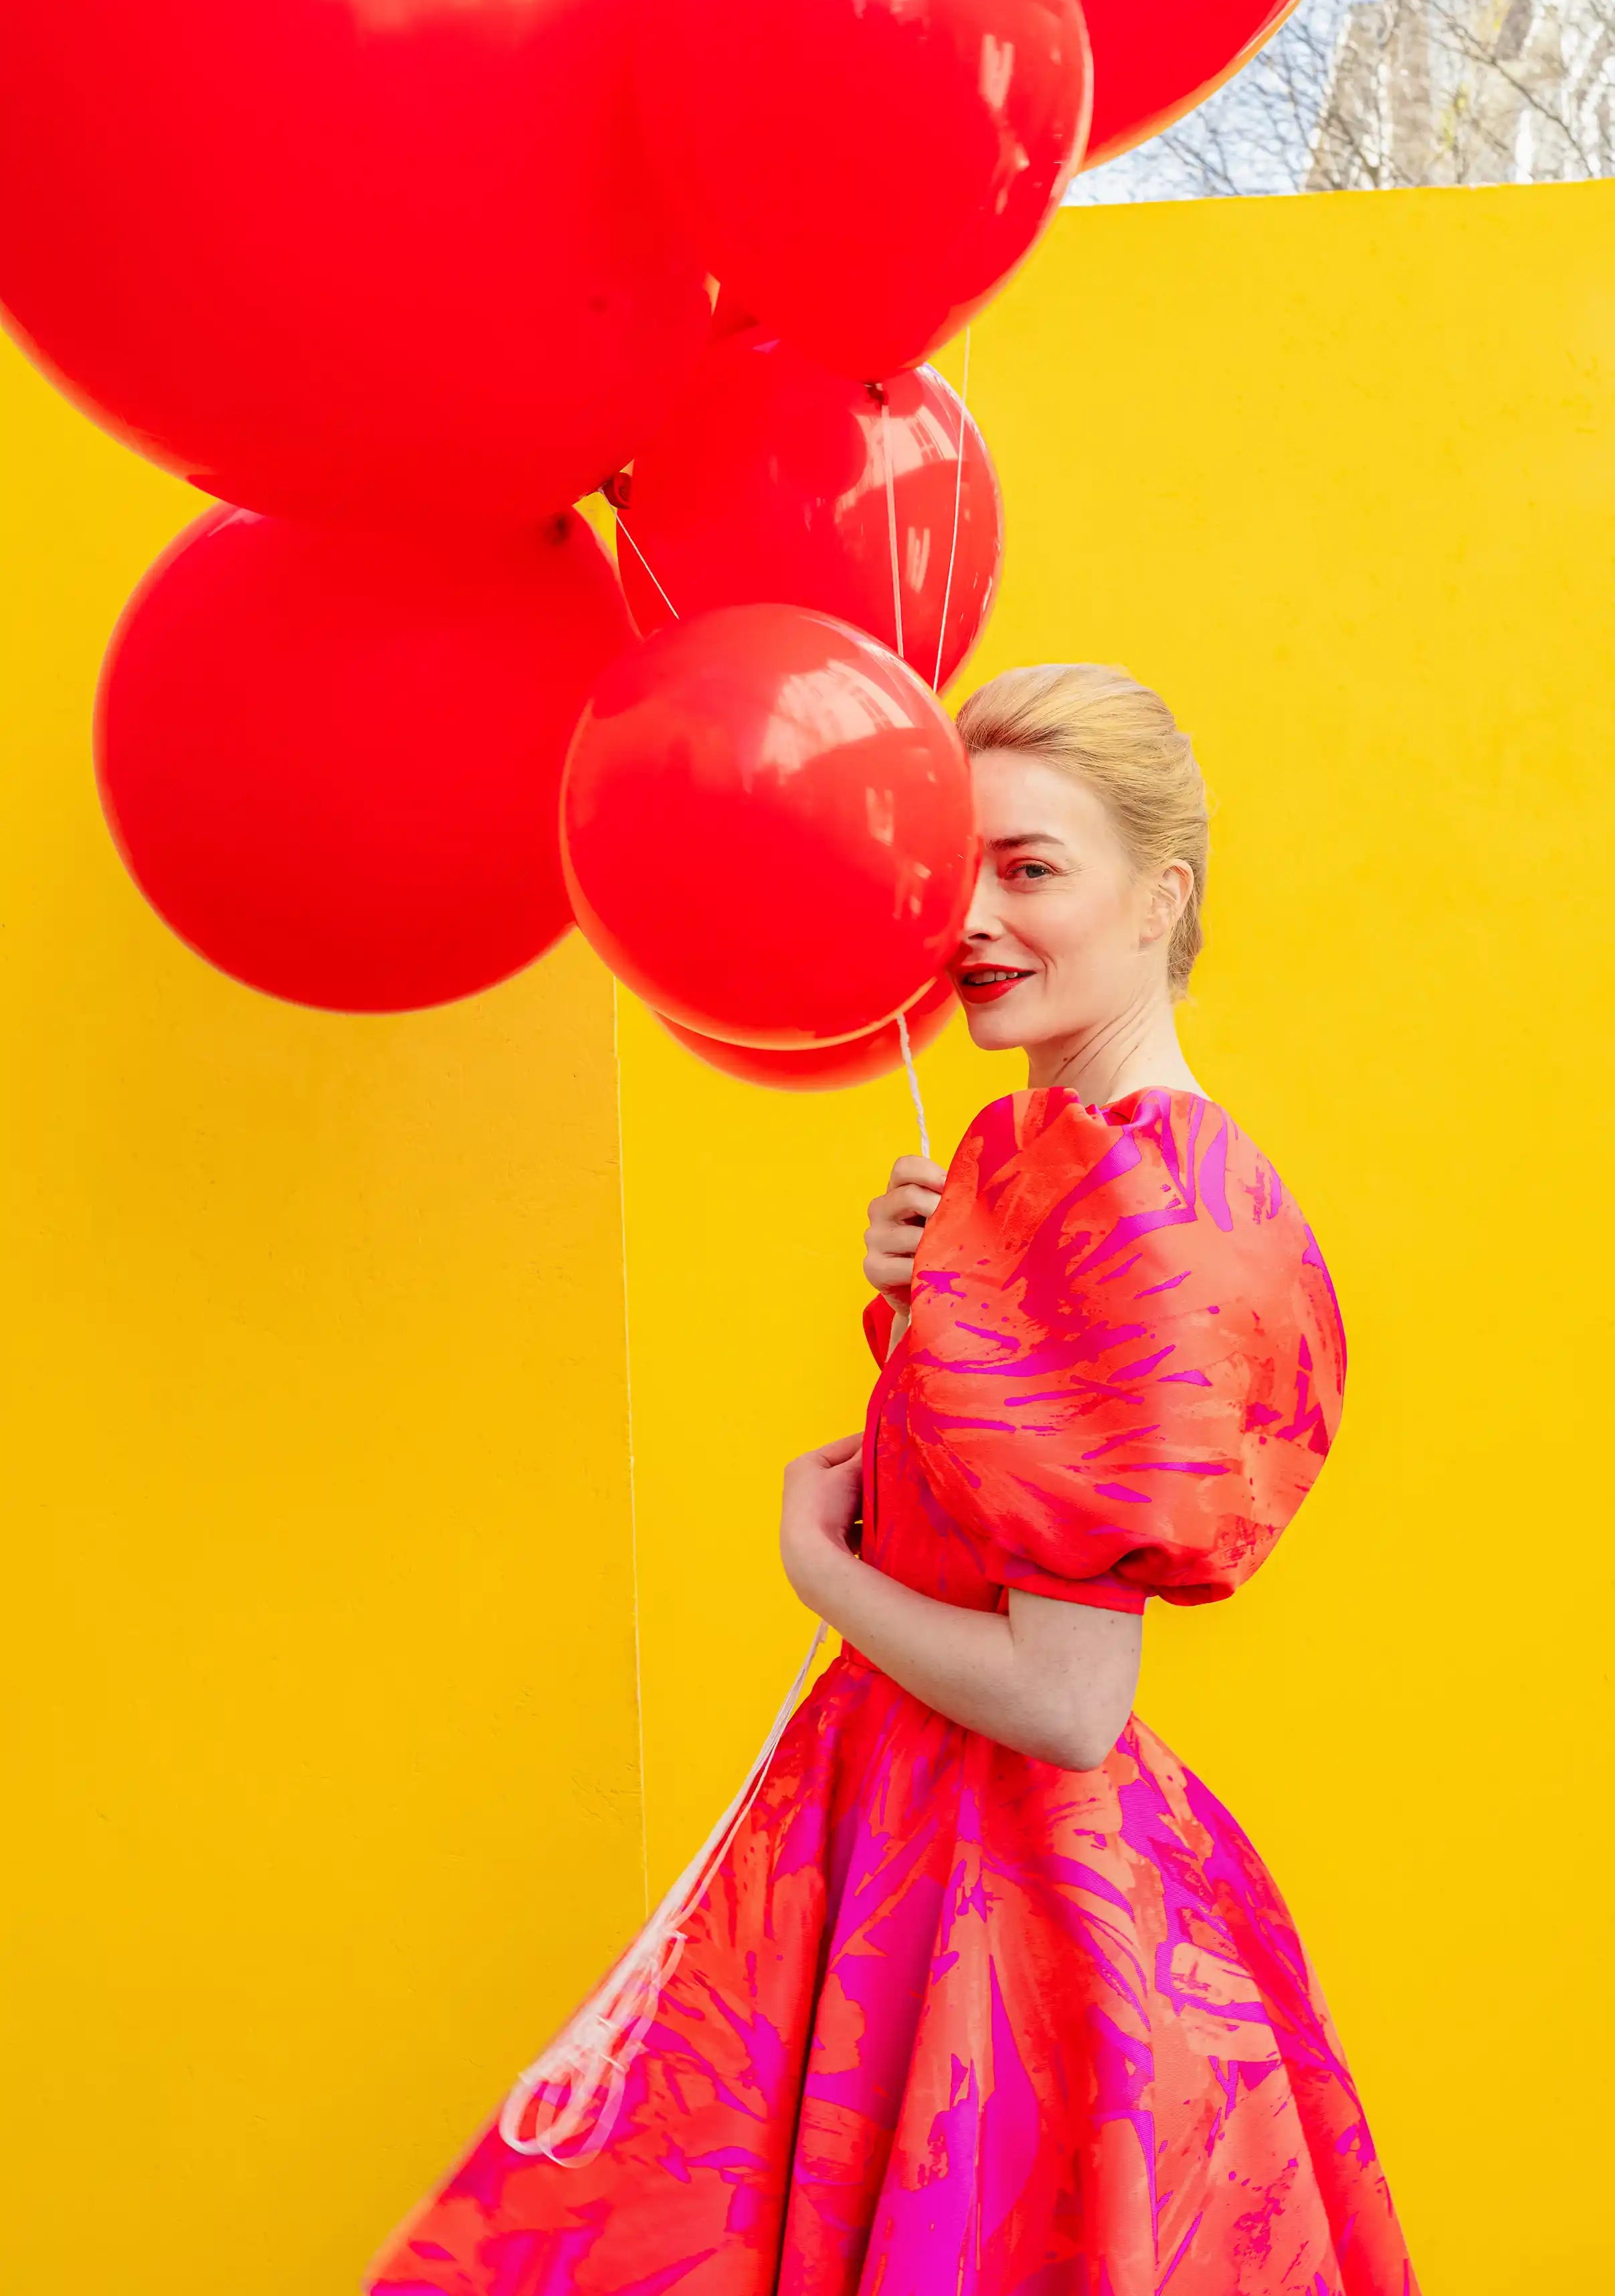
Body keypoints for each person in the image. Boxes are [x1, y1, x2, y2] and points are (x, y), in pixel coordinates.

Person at [366, 664, 1418, 2296]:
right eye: (954, 869)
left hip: (994, 1903)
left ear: (1163, 898)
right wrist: (928, 1308)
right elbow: (989, 1510)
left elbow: (1069, 1701)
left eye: (1030, 868)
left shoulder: (1136, 1208)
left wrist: (818, 1565)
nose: (973, 920)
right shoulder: (1063, 1168)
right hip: (919, 1848)